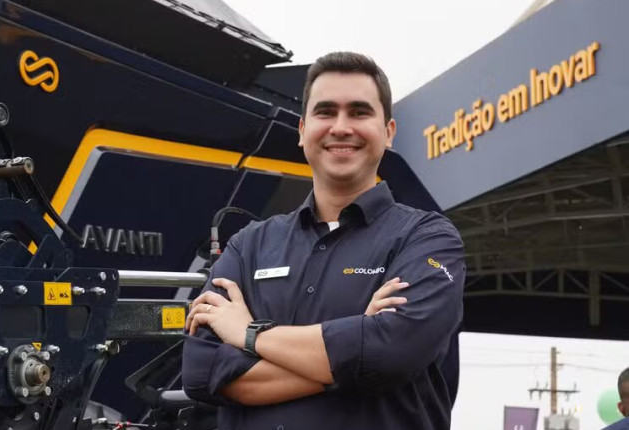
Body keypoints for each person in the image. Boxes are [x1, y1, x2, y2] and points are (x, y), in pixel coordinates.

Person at [182, 51, 464, 430]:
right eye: (326, 112)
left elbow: (392, 352)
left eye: (359, 112)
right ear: (302, 131)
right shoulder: (248, 246)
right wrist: (355, 346)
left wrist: (250, 335)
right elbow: (201, 372)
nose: (341, 127)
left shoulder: (427, 238)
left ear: (389, 132)